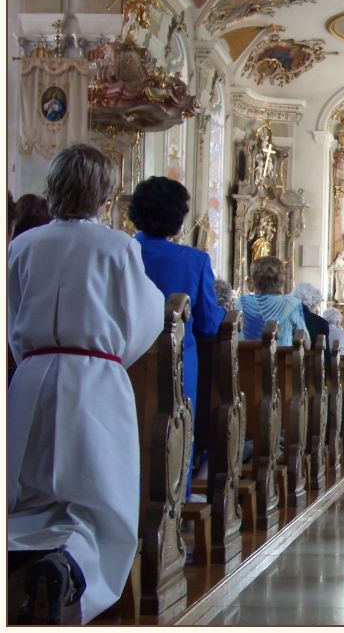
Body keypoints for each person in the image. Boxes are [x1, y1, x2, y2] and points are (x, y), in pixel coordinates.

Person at [8, 144, 164, 624]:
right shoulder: (118, 246)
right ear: (105, 194)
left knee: (28, 495)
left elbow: (10, 312)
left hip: (31, 378)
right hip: (95, 379)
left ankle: (28, 571)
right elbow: (143, 316)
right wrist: (110, 355)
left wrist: (32, 358)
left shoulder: (22, 245)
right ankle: (71, 569)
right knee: (99, 501)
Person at [129, 176, 227, 498]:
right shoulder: (194, 261)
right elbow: (210, 324)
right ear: (178, 218)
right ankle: (175, 501)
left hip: (125, 359)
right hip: (178, 363)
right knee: (175, 431)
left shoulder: (121, 251)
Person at [237, 256, 306, 347]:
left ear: (253, 279)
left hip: (246, 359)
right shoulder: (291, 303)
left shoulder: (241, 302)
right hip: (281, 359)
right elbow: (306, 342)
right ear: (281, 280)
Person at [291, 282, 331, 357]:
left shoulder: (284, 317)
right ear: (312, 303)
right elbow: (326, 357)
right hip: (311, 367)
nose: (317, 309)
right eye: (317, 304)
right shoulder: (321, 323)